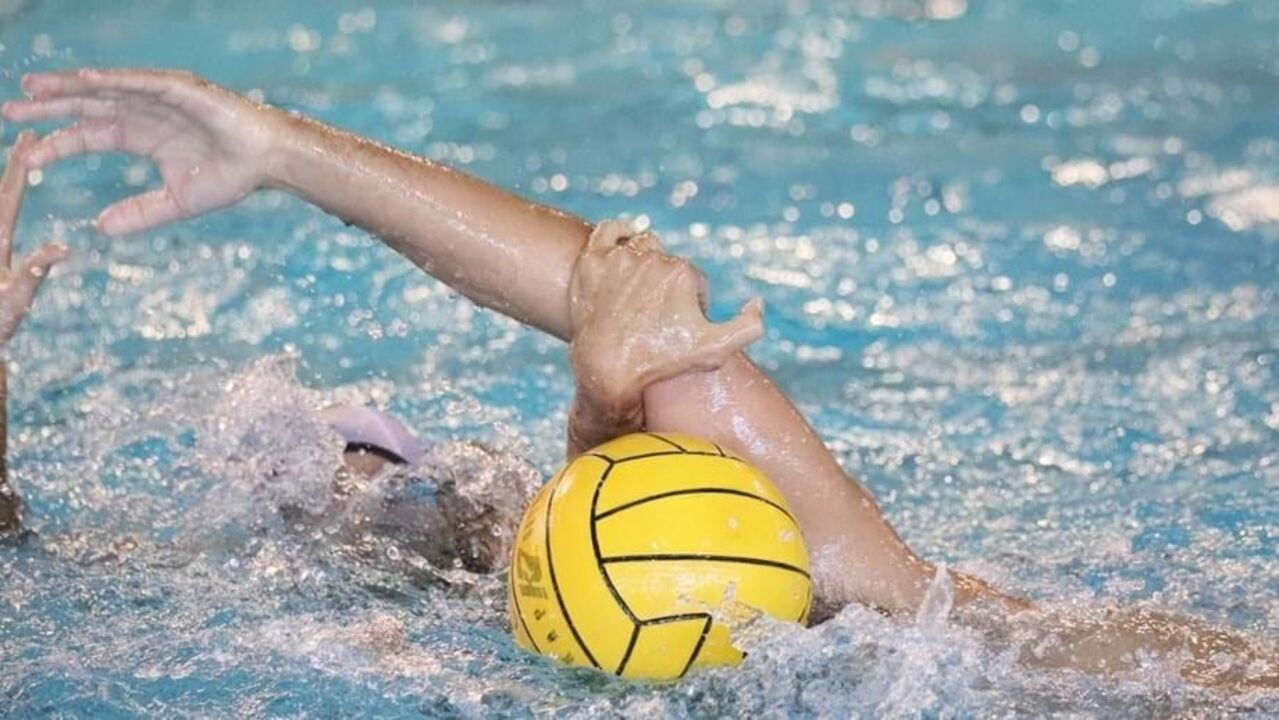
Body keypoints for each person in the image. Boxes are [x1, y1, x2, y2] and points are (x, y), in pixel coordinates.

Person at [3, 68, 1278, 689]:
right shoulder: (899, 615)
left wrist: (285, 150)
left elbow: (630, 324)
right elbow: (635, 321)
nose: (349, 482)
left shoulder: (895, 613)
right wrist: (280, 149)